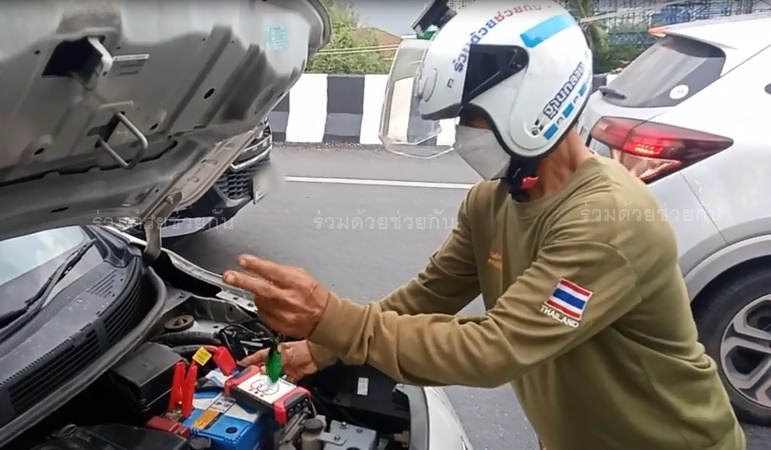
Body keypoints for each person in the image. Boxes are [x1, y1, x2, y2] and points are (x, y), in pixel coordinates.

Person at [222, 3, 745, 449]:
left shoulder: (609, 221)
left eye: (469, 117)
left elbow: (495, 350)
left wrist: (331, 317)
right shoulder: (491, 201)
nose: (462, 134)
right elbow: (425, 297)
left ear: (532, 106)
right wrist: (321, 346)